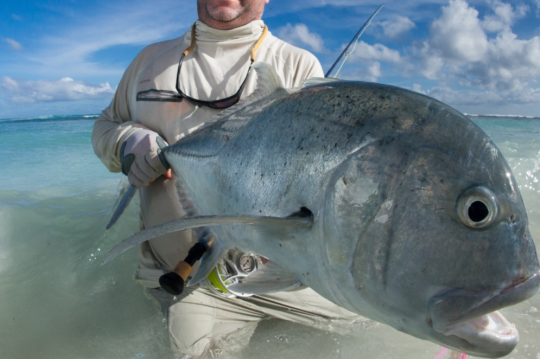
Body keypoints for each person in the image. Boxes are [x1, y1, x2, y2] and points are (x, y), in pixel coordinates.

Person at [92, 0, 359, 357]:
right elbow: (105, 125)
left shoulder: (299, 65)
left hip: (293, 277)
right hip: (187, 280)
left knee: (394, 332)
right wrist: (126, 141)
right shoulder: (148, 62)